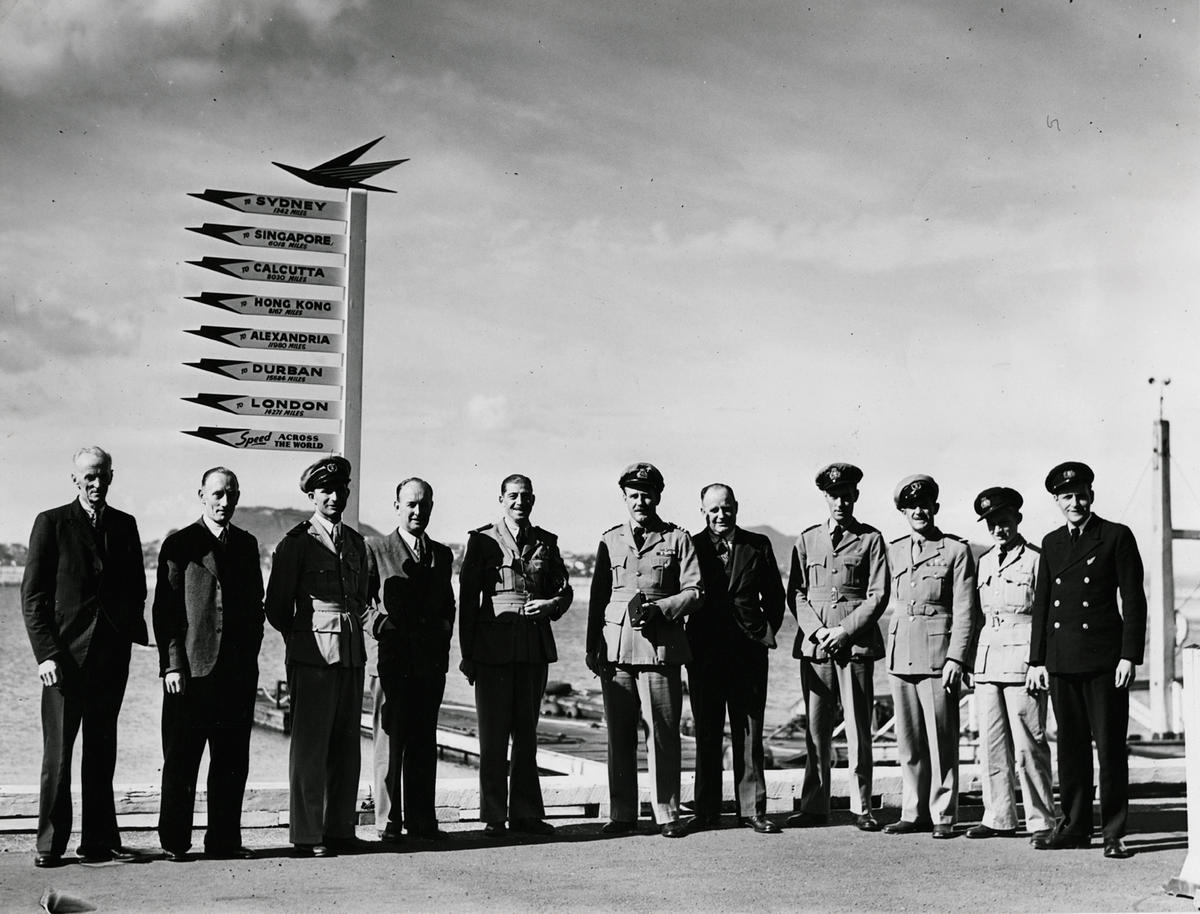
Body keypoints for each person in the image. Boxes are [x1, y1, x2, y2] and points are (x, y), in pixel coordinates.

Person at [21, 446, 149, 867]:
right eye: (88, 477)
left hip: (111, 660)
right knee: (58, 755)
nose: (96, 484)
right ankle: (49, 844)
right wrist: (46, 656)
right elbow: (33, 599)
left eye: (103, 476)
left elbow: (135, 590)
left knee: (102, 750)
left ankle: (97, 841)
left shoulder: (125, 526)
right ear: (75, 480)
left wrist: (126, 634)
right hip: (63, 663)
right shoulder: (51, 523)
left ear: (113, 476)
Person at [1028, 462, 1147, 859]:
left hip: (1104, 662)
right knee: (1071, 749)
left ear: (1091, 496)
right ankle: (1075, 826)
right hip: (1062, 661)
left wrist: (1130, 655)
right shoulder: (1051, 542)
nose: (1074, 502)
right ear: (1057, 502)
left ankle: (1114, 832)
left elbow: (1133, 600)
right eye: (1066, 497)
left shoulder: (1115, 536)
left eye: (1081, 495)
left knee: (1110, 748)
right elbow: (1043, 604)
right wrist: (1037, 661)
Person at [265, 456, 376, 857]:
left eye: (339, 490)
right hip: (312, 655)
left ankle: (340, 829)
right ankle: (307, 835)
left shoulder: (358, 544)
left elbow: (362, 596)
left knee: (347, 746)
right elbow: (276, 605)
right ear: (312, 496)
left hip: (349, 653)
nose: (333, 497)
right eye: (325, 491)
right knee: (310, 748)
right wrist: (302, 641)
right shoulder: (296, 543)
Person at [153, 467, 264, 861]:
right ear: (201, 495)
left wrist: (250, 659)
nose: (224, 502)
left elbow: (255, 611)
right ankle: (175, 842)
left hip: (236, 673)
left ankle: (224, 841)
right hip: (190, 672)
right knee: (181, 759)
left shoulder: (248, 545)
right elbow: (164, 610)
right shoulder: (180, 544)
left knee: (231, 761)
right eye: (217, 494)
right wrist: (172, 665)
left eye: (231, 495)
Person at [586, 462, 703, 838]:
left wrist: (662, 608)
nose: (641, 502)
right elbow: (598, 596)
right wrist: (593, 646)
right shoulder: (609, 539)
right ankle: (622, 813)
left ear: (658, 497)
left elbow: (695, 591)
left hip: (660, 647)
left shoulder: (677, 539)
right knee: (619, 733)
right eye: (634, 495)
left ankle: (667, 813)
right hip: (617, 648)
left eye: (647, 495)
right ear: (625, 498)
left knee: (663, 733)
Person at [459, 474, 573, 837]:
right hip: (492, 651)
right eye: (512, 496)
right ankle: (494, 815)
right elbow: (467, 603)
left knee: (527, 735)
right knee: (492, 737)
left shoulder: (546, 542)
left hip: (533, 649)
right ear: (501, 499)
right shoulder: (481, 542)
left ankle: (525, 813)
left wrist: (552, 605)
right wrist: (468, 654)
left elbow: (564, 591)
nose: (519, 502)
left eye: (525, 496)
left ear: (533, 500)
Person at [787, 463, 890, 832]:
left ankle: (863, 807)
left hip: (855, 644)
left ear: (856, 496)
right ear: (825, 498)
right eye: (835, 495)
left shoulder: (870, 539)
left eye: (847, 495)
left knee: (859, 729)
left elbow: (878, 595)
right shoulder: (807, 539)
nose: (841, 502)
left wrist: (843, 631)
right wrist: (816, 632)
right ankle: (815, 806)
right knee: (816, 730)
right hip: (816, 648)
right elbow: (796, 594)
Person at [884, 474, 980, 839]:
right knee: (908, 741)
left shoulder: (955, 551)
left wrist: (957, 658)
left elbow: (966, 610)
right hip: (900, 653)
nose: (919, 511)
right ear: (903, 511)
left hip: (939, 656)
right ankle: (913, 810)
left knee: (941, 740)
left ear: (935, 508)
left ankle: (943, 813)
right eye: (912, 506)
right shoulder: (893, 550)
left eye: (925, 505)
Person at [686, 483, 784, 833]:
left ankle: (752, 810)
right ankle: (706, 811)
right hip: (705, 653)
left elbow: (775, 596)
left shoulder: (758, 545)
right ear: (703, 511)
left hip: (748, 652)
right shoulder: (691, 547)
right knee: (707, 732)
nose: (720, 514)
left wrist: (763, 633)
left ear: (736, 507)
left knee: (749, 732)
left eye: (726, 507)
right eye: (713, 509)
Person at [365, 478, 455, 843]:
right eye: (411, 504)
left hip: (429, 665)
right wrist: (381, 625)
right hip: (391, 663)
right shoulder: (376, 549)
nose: (418, 511)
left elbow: (449, 605)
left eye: (424, 504)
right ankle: (388, 822)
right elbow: (362, 603)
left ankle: (422, 821)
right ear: (397, 506)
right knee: (389, 742)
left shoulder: (442, 554)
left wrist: (444, 634)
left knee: (423, 742)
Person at [965, 486, 1054, 843]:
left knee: (1029, 744)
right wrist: (971, 661)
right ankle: (999, 815)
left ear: (1017, 519)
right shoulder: (984, 561)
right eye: (992, 523)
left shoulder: (1036, 559)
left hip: (1023, 661)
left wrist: (1040, 662)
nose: (998, 529)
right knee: (991, 743)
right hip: (988, 662)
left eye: (1004, 521)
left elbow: (1045, 616)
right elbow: (976, 615)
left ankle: (1041, 819)